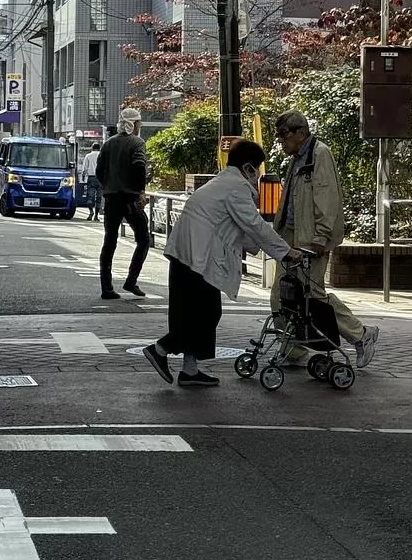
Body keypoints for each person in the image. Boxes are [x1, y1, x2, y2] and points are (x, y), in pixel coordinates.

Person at [143, 139, 299, 388]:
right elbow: (254, 225)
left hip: (187, 253)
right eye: (257, 168)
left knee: (190, 313)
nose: (258, 174)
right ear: (248, 167)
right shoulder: (236, 188)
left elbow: (241, 229)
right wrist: (286, 252)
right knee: (206, 313)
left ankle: (189, 370)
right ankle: (160, 349)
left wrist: (261, 247)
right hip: (197, 256)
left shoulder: (223, 182)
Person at [272, 110, 379, 369]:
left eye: (284, 135)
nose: (282, 142)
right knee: (281, 295)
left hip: (310, 239)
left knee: (313, 294)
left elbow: (327, 199)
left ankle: (361, 334)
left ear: (301, 132)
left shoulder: (319, 154)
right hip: (291, 236)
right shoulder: (298, 158)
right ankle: (293, 349)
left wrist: (320, 237)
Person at [95, 107, 151, 301]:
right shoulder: (137, 142)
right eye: (139, 122)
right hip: (130, 198)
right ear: (135, 124)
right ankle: (131, 280)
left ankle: (106, 287)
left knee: (109, 241)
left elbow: (99, 171)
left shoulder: (108, 144)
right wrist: (140, 192)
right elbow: (139, 166)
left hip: (111, 198)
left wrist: (109, 185)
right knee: (143, 239)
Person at [80, 143, 101, 221]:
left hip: (91, 178)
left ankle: (91, 212)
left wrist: (83, 175)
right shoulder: (102, 155)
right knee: (99, 197)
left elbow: (85, 167)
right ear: (99, 148)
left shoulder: (88, 156)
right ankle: (96, 215)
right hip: (100, 178)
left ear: (92, 148)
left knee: (90, 196)